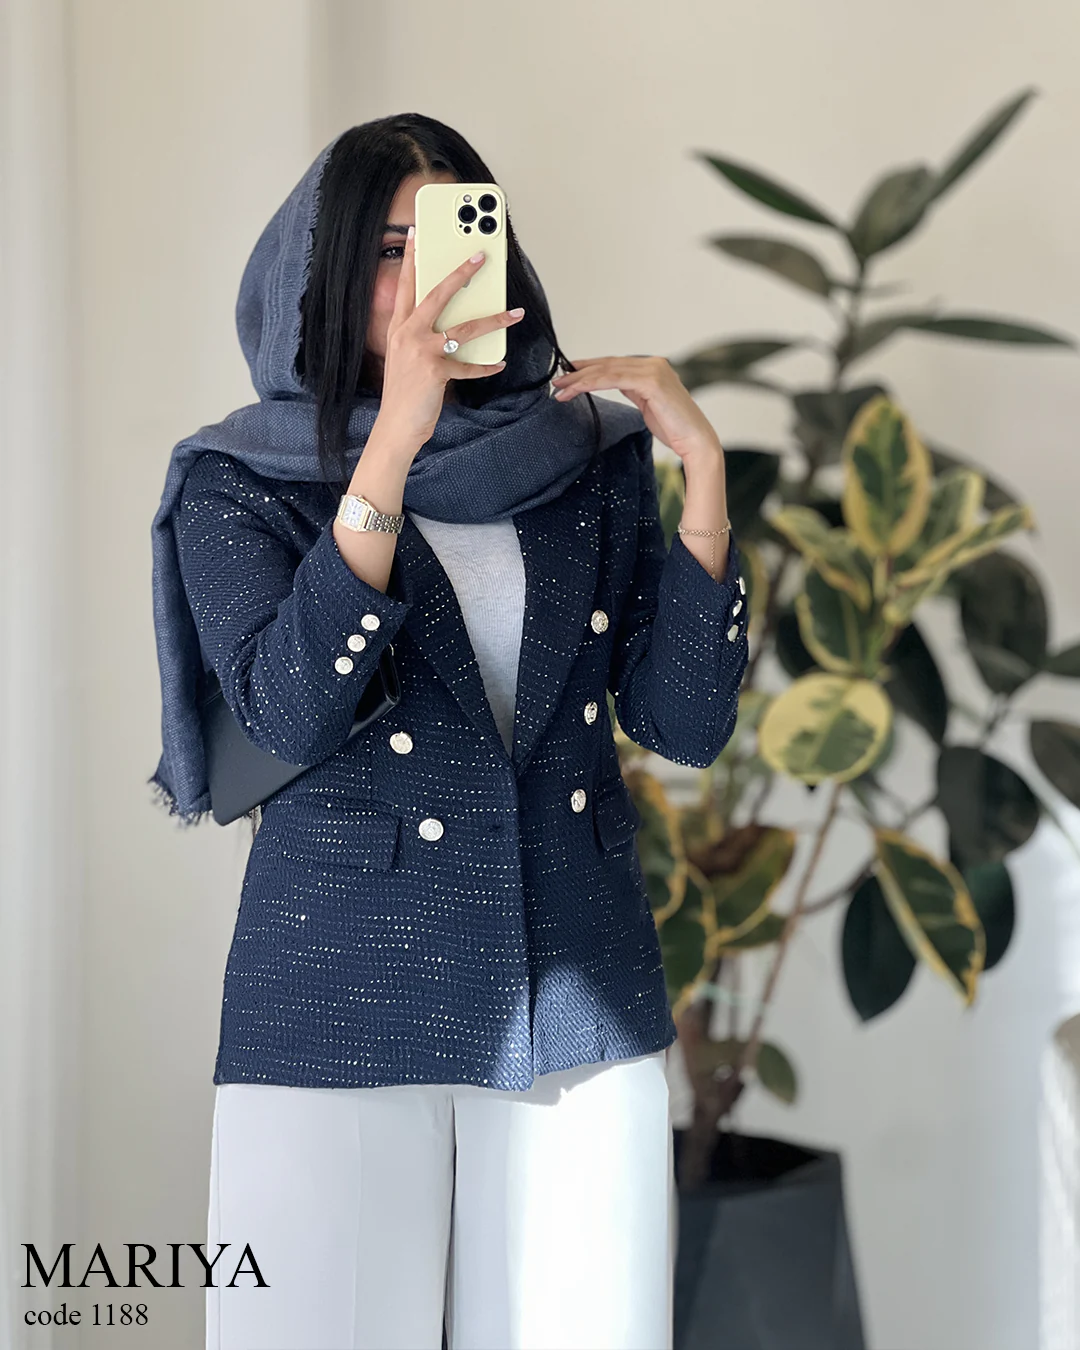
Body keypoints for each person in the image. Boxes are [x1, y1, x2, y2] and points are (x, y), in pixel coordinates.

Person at [147, 114, 748, 1350]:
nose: (426, 275)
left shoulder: (585, 459)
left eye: (455, 235)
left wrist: (702, 484)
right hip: (339, 998)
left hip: (576, 1005)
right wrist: (389, 449)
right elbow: (285, 711)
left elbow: (682, 727)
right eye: (387, 249)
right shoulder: (238, 479)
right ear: (319, 278)